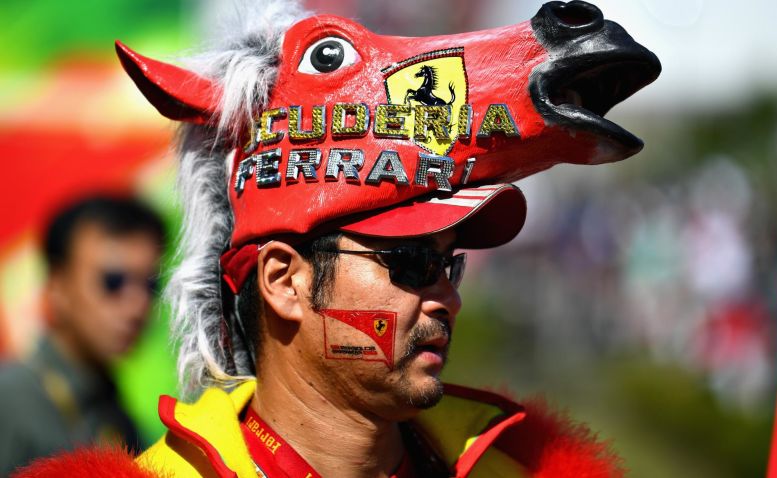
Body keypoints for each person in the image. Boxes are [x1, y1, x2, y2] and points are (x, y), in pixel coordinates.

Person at [16, 1, 660, 476]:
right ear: (284, 281)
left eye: (449, 266)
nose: (446, 301)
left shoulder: (518, 467)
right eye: (409, 262)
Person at [0, 195, 166, 476]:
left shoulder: (114, 410)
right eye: (112, 281)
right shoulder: (12, 398)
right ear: (57, 285)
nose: (138, 305)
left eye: (151, 285)